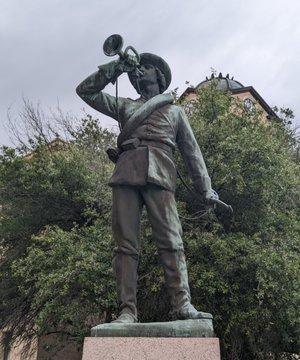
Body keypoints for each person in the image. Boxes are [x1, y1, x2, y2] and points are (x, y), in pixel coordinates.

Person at [76, 50, 218, 323]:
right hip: (127, 172)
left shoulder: (175, 111)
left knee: (172, 242)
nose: (139, 71)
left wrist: (206, 189)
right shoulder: (127, 107)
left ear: (158, 74)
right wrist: (116, 67)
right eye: (136, 70)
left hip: (161, 173)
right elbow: (86, 91)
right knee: (125, 247)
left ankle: (182, 305)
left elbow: (193, 154)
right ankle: (127, 311)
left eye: (146, 68)